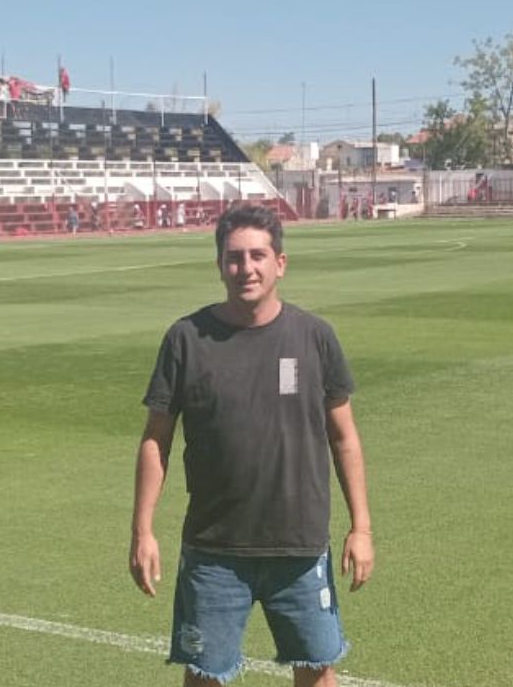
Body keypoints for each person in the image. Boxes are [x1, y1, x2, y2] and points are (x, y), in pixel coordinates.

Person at [128, 206, 374, 687]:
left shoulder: (314, 336)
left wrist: (361, 527)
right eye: (235, 258)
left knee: (319, 672)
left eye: (258, 255)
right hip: (214, 550)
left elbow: (344, 436)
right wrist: (142, 531)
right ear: (220, 265)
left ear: (280, 262)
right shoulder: (186, 339)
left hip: (300, 546)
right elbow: (155, 439)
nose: (247, 268)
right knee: (204, 677)